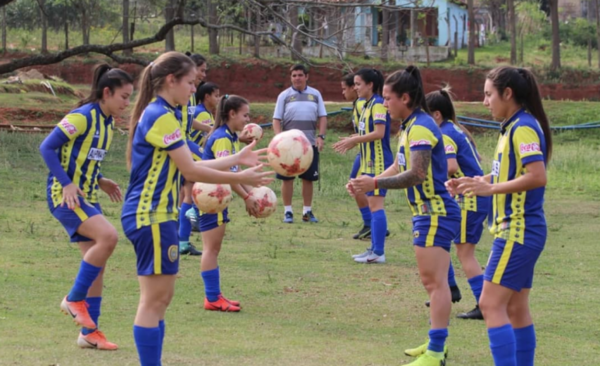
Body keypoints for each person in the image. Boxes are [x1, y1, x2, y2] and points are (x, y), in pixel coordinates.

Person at [121, 52, 273, 366]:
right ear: (170, 81)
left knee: (161, 300)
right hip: (150, 215)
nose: (195, 89)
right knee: (153, 301)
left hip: (157, 215)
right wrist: (240, 178)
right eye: (191, 82)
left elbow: (192, 163)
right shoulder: (160, 115)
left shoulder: (169, 113)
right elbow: (191, 172)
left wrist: (236, 160)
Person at [350, 66, 461, 366]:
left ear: (406, 98)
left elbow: (417, 173)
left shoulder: (421, 127)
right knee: (433, 282)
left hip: (435, 212)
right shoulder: (411, 125)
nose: (384, 104)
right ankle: (435, 343)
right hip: (427, 214)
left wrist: (374, 183)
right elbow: (399, 168)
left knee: (435, 283)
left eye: (388, 98)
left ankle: (436, 353)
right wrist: (368, 181)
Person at [447, 66, 552, 366]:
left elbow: (537, 176)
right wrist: (473, 183)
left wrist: (489, 191)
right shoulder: (513, 127)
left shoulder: (523, 128)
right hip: (521, 231)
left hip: (518, 231)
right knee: (516, 309)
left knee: (490, 304)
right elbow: (507, 173)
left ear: (508, 94)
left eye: (488, 94)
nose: (484, 101)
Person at [39, 64, 134, 350]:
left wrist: (101, 179)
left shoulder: (107, 123)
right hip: (66, 197)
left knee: (96, 265)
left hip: (87, 196)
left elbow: (83, 158)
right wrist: (67, 184)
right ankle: (73, 298)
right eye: (124, 97)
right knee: (109, 237)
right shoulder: (82, 116)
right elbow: (47, 147)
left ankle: (89, 332)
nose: (127, 103)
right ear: (107, 92)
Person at [422, 88, 488, 321]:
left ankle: (483, 304)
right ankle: (449, 288)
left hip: (469, 198)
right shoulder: (455, 129)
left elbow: (450, 167)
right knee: (444, 242)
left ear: (437, 115)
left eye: (426, 115)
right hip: (471, 196)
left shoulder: (446, 134)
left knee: (464, 253)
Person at [199, 94, 260, 312]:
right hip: (212, 197)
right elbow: (226, 174)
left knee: (213, 249)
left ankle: (215, 295)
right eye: (245, 114)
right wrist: (246, 197)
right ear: (232, 114)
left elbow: (235, 171)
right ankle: (212, 298)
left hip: (216, 198)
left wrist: (253, 191)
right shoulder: (223, 138)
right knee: (210, 249)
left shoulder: (229, 136)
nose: (247, 119)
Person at [334, 68, 393, 263]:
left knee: (376, 205)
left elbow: (379, 133)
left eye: (359, 84)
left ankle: (378, 253)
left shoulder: (377, 104)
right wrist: (353, 139)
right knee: (367, 199)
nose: (356, 87)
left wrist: (355, 140)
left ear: (370, 85)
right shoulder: (365, 104)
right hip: (368, 161)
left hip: (379, 161)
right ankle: (374, 249)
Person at [272, 64, 327, 223]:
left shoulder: (315, 94)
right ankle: (288, 211)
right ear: (291, 77)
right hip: (288, 146)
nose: (297, 78)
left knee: (308, 179)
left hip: (308, 145)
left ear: (306, 77)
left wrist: (321, 136)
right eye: (294, 75)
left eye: (300, 75)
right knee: (287, 178)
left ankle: (307, 212)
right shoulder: (284, 95)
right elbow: (276, 119)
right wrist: (279, 140)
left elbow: (322, 117)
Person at [177, 52, 209, 256]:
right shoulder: (178, 95)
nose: (204, 75)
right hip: (179, 144)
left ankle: (182, 240)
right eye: (202, 70)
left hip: (184, 142)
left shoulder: (189, 96)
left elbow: (188, 122)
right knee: (194, 184)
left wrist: (210, 129)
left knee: (188, 191)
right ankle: (193, 216)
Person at [338, 73, 371, 239]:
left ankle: (371, 223)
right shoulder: (358, 104)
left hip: (368, 154)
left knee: (357, 185)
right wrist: (352, 139)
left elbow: (369, 132)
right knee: (356, 185)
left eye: (345, 88)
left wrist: (354, 140)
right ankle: (371, 223)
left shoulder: (360, 104)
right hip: (363, 151)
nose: (343, 92)